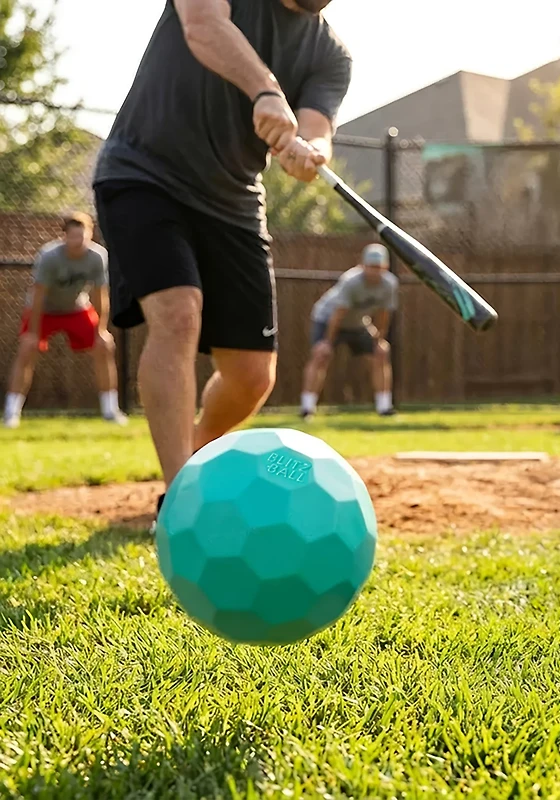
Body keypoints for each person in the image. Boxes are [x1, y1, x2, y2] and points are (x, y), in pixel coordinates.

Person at [92, 0, 351, 518]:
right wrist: (266, 90)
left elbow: (316, 126)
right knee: (178, 314)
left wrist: (310, 151)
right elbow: (203, 25)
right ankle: (181, 500)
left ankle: (193, 457)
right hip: (145, 173)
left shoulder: (330, 54)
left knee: (252, 375)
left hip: (233, 201)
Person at [3, 213, 126, 429]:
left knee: (104, 346)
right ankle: (11, 412)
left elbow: (100, 295)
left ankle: (110, 410)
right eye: (74, 237)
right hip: (44, 310)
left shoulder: (97, 256)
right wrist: (33, 333)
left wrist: (100, 330)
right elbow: (38, 295)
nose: (79, 242)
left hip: (76, 308)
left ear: (90, 235)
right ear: (64, 236)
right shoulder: (49, 256)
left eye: (83, 236)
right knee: (27, 348)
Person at [300, 244, 399, 419]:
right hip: (327, 320)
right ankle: (307, 408)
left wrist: (379, 340)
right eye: (371, 266)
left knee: (381, 354)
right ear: (362, 265)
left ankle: (384, 408)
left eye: (378, 267)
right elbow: (338, 315)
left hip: (358, 323)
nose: (374, 271)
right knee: (320, 356)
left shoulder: (389, 284)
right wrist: (327, 342)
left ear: (385, 267)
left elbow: (384, 314)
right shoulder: (351, 281)